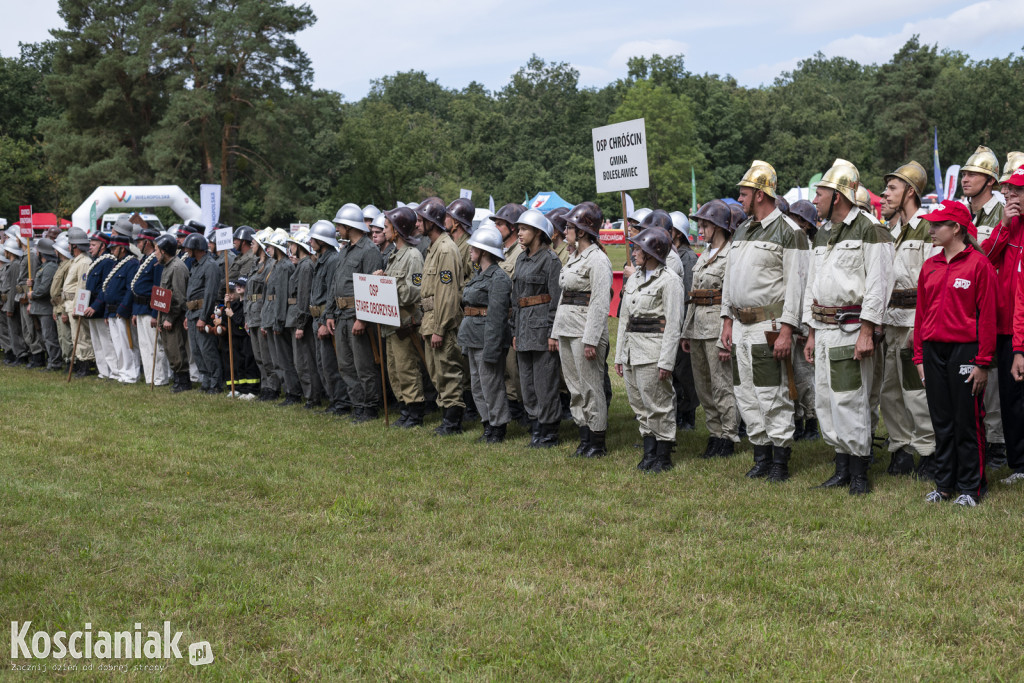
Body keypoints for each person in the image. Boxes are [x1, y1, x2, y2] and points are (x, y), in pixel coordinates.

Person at [804, 159, 894, 494]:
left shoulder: (871, 228)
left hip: (851, 329)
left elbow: (880, 284)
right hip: (824, 330)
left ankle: (859, 474)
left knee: (851, 399)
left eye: (820, 193)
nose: (815, 200)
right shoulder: (824, 232)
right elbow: (814, 284)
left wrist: (868, 331)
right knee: (826, 400)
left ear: (837, 196)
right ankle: (842, 468)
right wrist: (811, 330)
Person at [721, 161, 809, 480]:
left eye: (744, 194)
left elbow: (797, 286)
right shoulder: (743, 229)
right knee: (745, 391)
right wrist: (727, 319)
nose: (739, 199)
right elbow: (731, 277)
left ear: (760, 195)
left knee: (771, 392)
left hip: (768, 326)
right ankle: (761, 455)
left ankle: (780, 460)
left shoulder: (790, 232)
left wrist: (788, 330)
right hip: (741, 325)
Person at [913, 200, 996, 506]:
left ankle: (971, 488)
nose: (931, 230)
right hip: (934, 352)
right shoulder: (929, 266)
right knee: (941, 420)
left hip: (966, 352)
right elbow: (921, 316)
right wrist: (919, 358)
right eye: (931, 224)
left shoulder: (978, 264)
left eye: (937, 225)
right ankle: (944, 485)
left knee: (967, 421)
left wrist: (984, 362)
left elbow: (988, 317)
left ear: (956, 228)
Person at [876, 161, 937, 477]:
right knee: (890, 390)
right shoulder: (889, 232)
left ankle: (928, 450)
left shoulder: (928, 228)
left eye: (892, 188)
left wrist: (925, 325)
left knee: (917, 390)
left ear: (910, 192)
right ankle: (900, 449)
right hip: (891, 322)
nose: (885, 194)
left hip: (916, 321)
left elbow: (934, 278)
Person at [615, 227, 684, 472]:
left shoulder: (670, 281)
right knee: (639, 404)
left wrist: (666, 361)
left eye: (638, 248)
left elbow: (674, 324)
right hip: (633, 350)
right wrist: (620, 355)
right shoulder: (634, 279)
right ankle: (649, 450)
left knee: (658, 403)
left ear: (652, 251)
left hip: (653, 351)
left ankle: (663, 454)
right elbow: (624, 319)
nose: (634, 253)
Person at [552, 201, 613, 457]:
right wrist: (555, 332)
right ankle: (584, 434)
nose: (565, 230)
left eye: (570, 226)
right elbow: (564, 297)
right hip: (567, 329)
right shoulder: (573, 257)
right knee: (574, 387)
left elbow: (600, 303)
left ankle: (597, 440)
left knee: (590, 386)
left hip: (584, 331)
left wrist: (591, 339)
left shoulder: (598, 260)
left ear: (582, 231)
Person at [959, 144, 1006, 462]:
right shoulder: (963, 214)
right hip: (965, 308)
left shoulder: (1002, 213)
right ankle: (979, 438)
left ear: (990, 180)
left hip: (994, 306)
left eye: (973, 174)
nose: (965, 178)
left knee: (993, 379)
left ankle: (998, 442)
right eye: (964, 173)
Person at [682, 199, 739, 458]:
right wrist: (686, 331)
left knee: (722, 385)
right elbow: (694, 295)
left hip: (717, 327)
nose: (700, 229)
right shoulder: (704, 254)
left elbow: (731, 298)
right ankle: (714, 433)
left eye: (704, 225)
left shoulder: (732, 255)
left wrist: (726, 338)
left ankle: (728, 435)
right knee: (704, 386)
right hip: (698, 328)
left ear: (717, 226)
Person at [327, 203, 384, 422]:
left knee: (363, 365)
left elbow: (372, 286)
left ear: (349, 226)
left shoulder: (369, 250)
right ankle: (358, 404)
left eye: (339, 225)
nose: (337, 229)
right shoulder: (346, 250)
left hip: (356, 314)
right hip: (341, 315)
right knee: (346, 364)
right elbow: (336, 283)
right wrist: (330, 313)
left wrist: (363, 318)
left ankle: (370, 406)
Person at [511, 209, 563, 447]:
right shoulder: (520, 259)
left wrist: (553, 332)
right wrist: (514, 330)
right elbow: (516, 298)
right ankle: (536, 425)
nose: (519, 233)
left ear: (538, 232)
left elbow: (556, 298)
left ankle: (549, 430)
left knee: (545, 383)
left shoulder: (551, 260)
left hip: (542, 328)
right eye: (519, 229)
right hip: (523, 328)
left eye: (524, 229)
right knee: (527, 382)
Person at [986, 164, 1024, 483]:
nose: (1008, 193)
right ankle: (1020, 464)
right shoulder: (1010, 225)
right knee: (1011, 398)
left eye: (1015, 189)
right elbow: (985, 261)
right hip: (1006, 327)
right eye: (1007, 189)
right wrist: (1003, 224)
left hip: (1019, 329)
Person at [458, 223, 513, 443]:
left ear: (484, 251)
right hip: (473, 337)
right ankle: (487, 424)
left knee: (491, 385)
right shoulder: (479, 275)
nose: (470, 250)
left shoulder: (498, 278)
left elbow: (497, 318)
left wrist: (492, 347)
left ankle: (498, 427)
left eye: (474, 247)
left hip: (486, 339)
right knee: (477, 386)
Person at [418, 198, 466, 434]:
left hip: (441, 322)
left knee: (447, 370)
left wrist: (440, 327)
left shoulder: (446, 249)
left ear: (431, 222)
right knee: (437, 372)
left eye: (421, 220)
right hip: (430, 319)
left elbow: (448, 294)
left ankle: (452, 422)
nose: (417, 224)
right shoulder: (434, 248)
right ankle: (447, 417)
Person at [377, 207, 426, 428]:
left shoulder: (413, 256)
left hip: (405, 323)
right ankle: (405, 408)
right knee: (394, 369)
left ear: (397, 230)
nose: (383, 230)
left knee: (407, 368)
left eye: (387, 227)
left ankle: (415, 411)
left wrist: (388, 283)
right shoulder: (393, 255)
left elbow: (414, 291)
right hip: (390, 322)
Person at [786, 199, 819, 441]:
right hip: (791, 318)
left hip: (804, 320)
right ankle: (798, 417)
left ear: (805, 224)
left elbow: (808, 289)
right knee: (792, 374)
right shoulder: (793, 244)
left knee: (805, 374)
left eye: (796, 218)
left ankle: (811, 421)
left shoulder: (809, 249)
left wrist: (805, 326)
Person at [308, 220, 349, 416]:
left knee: (332, 364)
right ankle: (334, 400)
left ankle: (340, 403)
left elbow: (332, 292)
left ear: (322, 240)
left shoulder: (332, 260)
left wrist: (325, 320)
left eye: (313, 238)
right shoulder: (321, 259)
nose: (310, 242)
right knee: (323, 364)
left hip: (327, 319)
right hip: (319, 319)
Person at [492, 203, 528, 423]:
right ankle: (512, 407)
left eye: (500, 224)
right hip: (501, 318)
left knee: (516, 370)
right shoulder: (503, 252)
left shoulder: (519, 254)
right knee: (505, 367)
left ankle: (522, 411)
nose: (496, 228)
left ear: (512, 227)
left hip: (513, 316)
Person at [182, 232, 224, 393]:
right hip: (192, 313)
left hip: (202, 313)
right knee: (197, 350)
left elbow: (210, 294)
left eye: (189, 248)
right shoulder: (196, 265)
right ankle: (205, 380)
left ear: (196, 248)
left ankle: (215, 383)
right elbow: (191, 292)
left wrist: (203, 317)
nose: (186, 250)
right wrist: (187, 315)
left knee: (208, 350)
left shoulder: (210, 265)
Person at [669, 210, 700, 430]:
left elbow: (688, 293)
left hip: (683, 320)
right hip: (672, 321)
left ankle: (687, 414)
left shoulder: (687, 258)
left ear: (677, 234)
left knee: (684, 371)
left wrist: (685, 328)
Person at [263, 230, 301, 405]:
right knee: (277, 358)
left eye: (270, 246)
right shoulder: (275, 265)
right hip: (271, 314)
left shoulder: (285, 266)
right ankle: (287, 390)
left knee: (285, 358)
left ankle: (292, 392)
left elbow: (283, 296)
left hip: (280, 316)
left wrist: (279, 320)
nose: (268, 249)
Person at [130, 227, 171, 386]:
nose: (138, 244)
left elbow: (158, 288)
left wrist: (155, 314)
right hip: (140, 308)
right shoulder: (144, 260)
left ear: (148, 242)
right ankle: (150, 377)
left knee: (154, 346)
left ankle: (159, 378)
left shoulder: (157, 261)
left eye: (140, 241)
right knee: (145, 346)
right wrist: (135, 311)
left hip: (149, 308)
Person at [286, 231, 322, 408]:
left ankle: (313, 396)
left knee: (305, 361)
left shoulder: (306, 266)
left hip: (303, 320)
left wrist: (301, 324)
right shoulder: (302, 265)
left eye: (292, 244)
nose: (290, 248)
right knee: (301, 360)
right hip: (297, 316)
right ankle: (310, 395)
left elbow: (304, 296)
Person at [102, 225, 142, 384]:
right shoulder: (117, 264)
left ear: (122, 249)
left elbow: (129, 289)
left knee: (128, 345)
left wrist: (123, 309)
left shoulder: (131, 264)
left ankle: (131, 374)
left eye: (114, 249)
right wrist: (107, 312)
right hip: (112, 310)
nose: (111, 251)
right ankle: (122, 372)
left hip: (121, 311)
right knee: (118, 345)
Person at [155, 233, 193, 392]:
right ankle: (177, 379)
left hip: (175, 318)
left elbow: (179, 297)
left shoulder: (177, 268)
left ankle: (183, 381)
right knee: (170, 349)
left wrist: (169, 318)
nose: (155, 253)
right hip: (166, 317)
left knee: (177, 348)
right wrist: (160, 319)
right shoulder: (167, 267)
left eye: (156, 250)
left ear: (164, 251)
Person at [82, 232, 118, 380]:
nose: (90, 248)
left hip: (100, 308)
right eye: (90, 245)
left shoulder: (108, 261)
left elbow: (106, 287)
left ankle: (114, 371)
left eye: (93, 245)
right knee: (97, 342)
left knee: (106, 341)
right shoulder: (96, 261)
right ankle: (103, 371)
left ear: (103, 246)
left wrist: (96, 306)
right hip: (91, 307)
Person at [62, 228, 96, 376]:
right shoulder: (76, 261)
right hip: (70, 303)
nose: (68, 247)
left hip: (76, 303)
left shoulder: (84, 262)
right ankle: (81, 362)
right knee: (77, 336)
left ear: (75, 245)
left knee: (82, 336)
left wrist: (79, 307)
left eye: (70, 244)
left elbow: (82, 287)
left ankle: (86, 365)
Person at [26, 238, 63, 371]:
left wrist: (33, 294)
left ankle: (55, 363)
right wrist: (33, 283)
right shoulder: (44, 267)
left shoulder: (50, 267)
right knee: (46, 337)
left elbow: (45, 288)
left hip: (45, 308)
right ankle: (51, 361)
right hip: (40, 308)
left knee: (50, 337)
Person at [49, 236, 75, 368]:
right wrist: (55, 309)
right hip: (57, 306)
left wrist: (64, 310)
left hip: (63, 305)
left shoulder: (69, 266)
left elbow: (66, 289)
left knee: (66, 337)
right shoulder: (61, 266)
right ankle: (67, 360)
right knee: (62, 337)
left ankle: (72, 362)